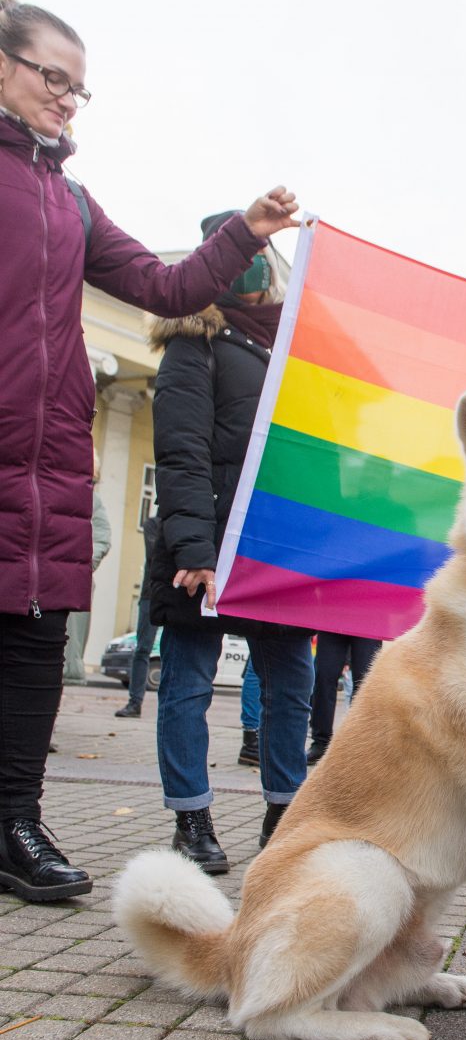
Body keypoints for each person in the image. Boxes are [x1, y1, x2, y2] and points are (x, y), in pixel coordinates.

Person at [0, 0, 300, 902]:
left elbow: (164, 286)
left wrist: (242, 231)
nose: (68, 100)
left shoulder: (75, 202)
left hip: (49, 460)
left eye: (80, 89)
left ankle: (15, 823)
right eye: (54, 77)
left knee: (35, 642)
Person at [150, 211, 315, 872]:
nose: (253, 268)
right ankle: (192, 819)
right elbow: (182, 451)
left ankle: (284, 812)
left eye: (260, 252)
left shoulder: (291, 348)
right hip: (209, 546)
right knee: (188, 682)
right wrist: (193, 549)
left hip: (273, 546)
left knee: (291, 681)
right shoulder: (196, 345)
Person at [63, 454, 111, 684]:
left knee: (65, 655)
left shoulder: (93, 501)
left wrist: (81, 566)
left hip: (73, 581)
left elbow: (102, 538)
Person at [307, 631, 381, 765]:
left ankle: (359, 743)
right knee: (324, 676)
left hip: (369, 618)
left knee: (364, 682)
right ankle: (320, 742)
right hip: (333, 618)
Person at [114, 514, 159, 718]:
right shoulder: (152, 524)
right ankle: (135, 703)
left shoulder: (182, 521)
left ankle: (169, 705)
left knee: (172, 651)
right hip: (151, 594)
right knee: (143, 649)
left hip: (178, 595)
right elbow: (154, 555)